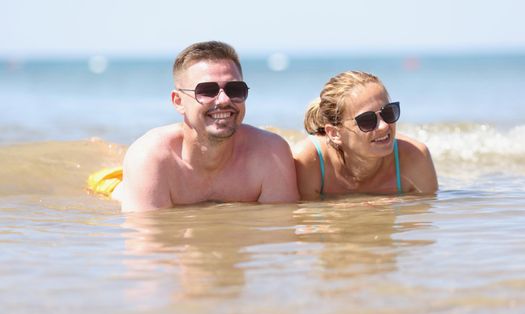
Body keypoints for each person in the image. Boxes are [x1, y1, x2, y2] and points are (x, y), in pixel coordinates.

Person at [88, 41, 299, 212]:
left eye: (235, 89)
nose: (224, 99)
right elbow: (148, 252)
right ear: (178, 101)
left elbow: (277, 244)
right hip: (113, 183)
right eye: (207, 90)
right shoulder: (151, 158)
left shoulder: (272, 155)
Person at [293, 71, 438, 200]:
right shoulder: (308, 161)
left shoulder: (415, 157)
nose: (384, 126)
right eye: (367, 121)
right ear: (335, 133)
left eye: (388, 113)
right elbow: (305, 220)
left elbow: (425, 220)